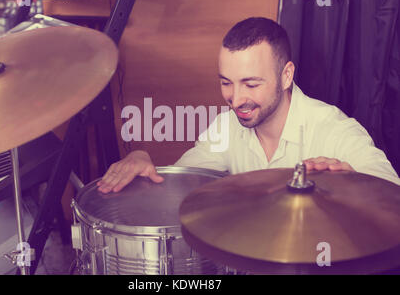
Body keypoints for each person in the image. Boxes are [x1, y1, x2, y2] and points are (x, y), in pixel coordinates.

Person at [97, 17, 400, 193]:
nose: (236, 99)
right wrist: (143, 159)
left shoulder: (334, 129)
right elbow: (182, 183)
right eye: (226, 82)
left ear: (286, 75)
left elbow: (391, 197)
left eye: (251, 84)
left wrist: (354, 185)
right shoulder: (225, 128)